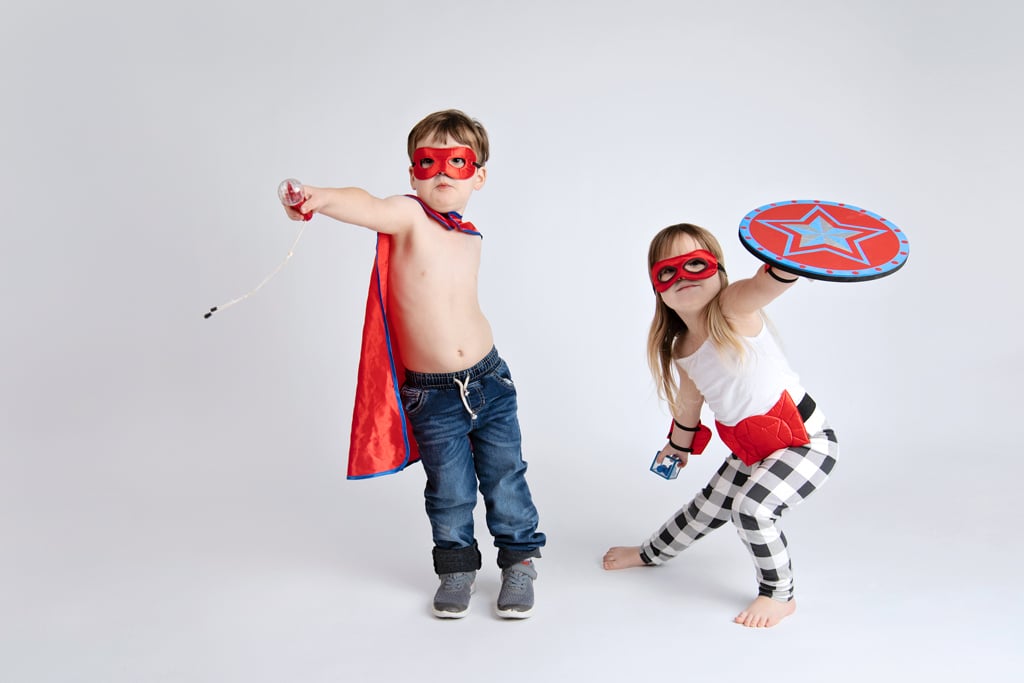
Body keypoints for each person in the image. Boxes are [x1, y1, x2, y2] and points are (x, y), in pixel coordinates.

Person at [284, 110, 545, 619]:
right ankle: (457, 570)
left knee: (506, 475)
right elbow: (367, 203)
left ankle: (519, 561)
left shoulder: (469, 236)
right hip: (433, 392)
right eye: (427, 162)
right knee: (449, 488)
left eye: (456, 161)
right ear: (412, 175)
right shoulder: (409, 217)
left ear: (479, 175)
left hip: (490, 380)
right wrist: (319, 196)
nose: (441, 173)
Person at [602, 223, 838, 628]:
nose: (683, 278)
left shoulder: (733, 308)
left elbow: (765, 284)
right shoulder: (682, 349)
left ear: (721, 273)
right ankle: (650, 553)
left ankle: (779, 594)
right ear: (657, 289)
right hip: (753, 450)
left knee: (752, 509)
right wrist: (676, 449)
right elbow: (688, 406)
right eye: (668, 272)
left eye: (696, 264)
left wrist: (791, 259)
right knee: (705, 508)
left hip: (805, 442)